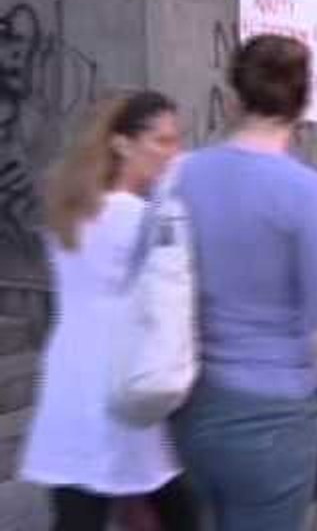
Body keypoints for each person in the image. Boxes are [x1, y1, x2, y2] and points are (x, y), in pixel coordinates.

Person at [172, 34, 317, 530]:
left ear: (234, 96)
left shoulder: (182, 174)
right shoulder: (308, 194)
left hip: (192, 410)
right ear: (303, 106)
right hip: (273, 422)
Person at [19, 90, 198, 531]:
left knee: (81, 508)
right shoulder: (140, 220)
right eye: (163, 140)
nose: (174, 152)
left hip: (73, 379)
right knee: (176, 512)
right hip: (124, 380)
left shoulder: (73, 213)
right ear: (122, 144)